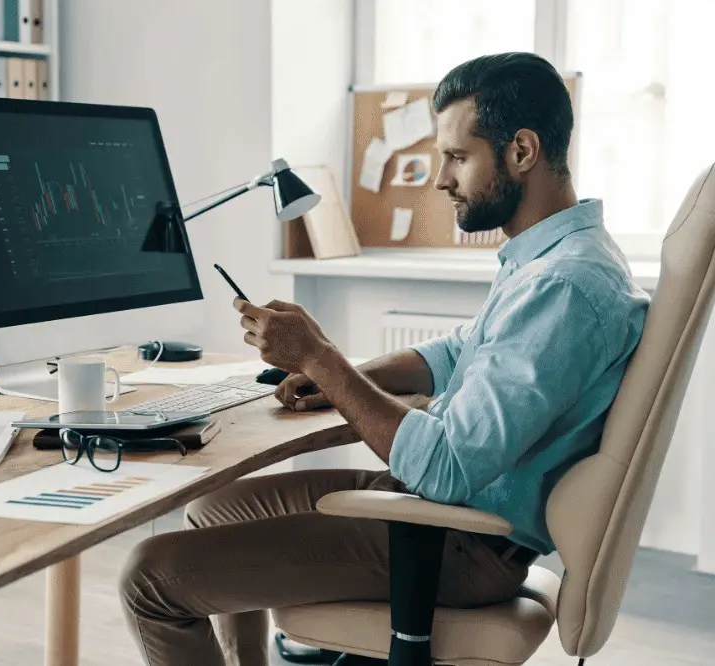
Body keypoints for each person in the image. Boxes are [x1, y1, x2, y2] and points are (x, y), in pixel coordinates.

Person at [120, 52, 650, 666]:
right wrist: (342, 373)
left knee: (148, 577)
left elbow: (447, 465)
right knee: (213, 511)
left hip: (460, 542)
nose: (441, 179)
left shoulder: (563, 287)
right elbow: (457, 354)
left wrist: (322, 362)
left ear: (522, 151)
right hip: (447, 516)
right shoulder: (552, 258)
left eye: (456, 156)